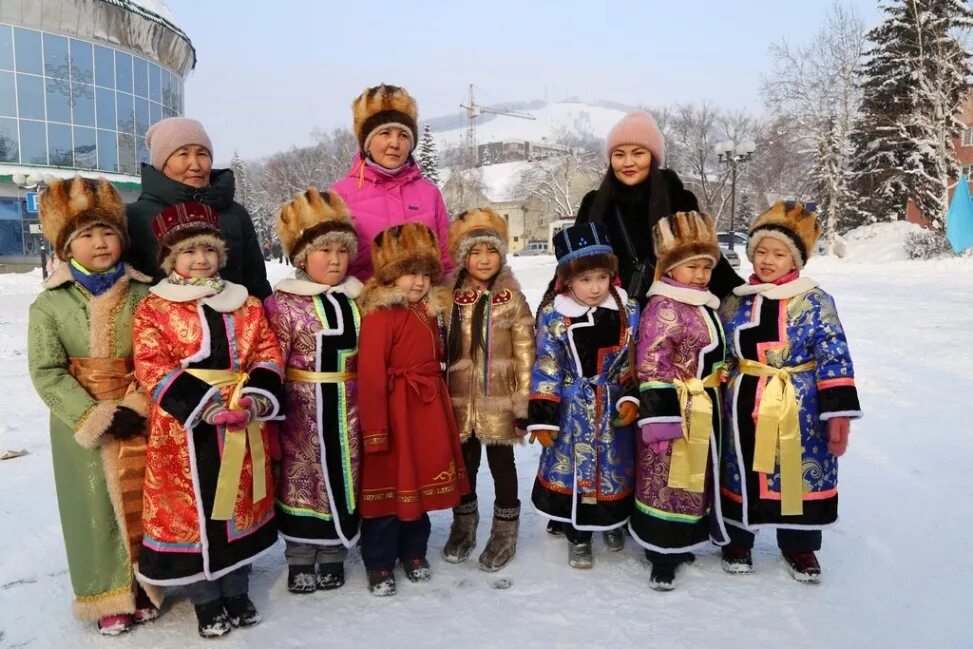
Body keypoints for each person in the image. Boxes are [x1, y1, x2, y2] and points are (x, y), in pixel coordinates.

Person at [132, 202, 284, 638]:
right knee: (194, 512)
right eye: (188, 251)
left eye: (209, 250)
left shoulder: (244, 303)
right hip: (183, 431)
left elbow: (268, 352)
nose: (201, 259)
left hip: (241, 420)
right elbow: (151, 363)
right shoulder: (155, 308)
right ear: (170, 259)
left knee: (239, 506)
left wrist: (254, 399)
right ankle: (204, 598)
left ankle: (236, 589)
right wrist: (204, 405)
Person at [27, 177, 156, 635]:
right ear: (65, 246)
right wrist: (92, 415)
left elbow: (158, 355)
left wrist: (137, 403)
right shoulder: (50, 304)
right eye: (85, 235)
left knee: (145, 497)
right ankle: (105, 594)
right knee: (92, 507)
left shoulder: (144, 294)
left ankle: (145, 585)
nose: (100, 243)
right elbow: (47, 370)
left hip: (138, 413)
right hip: (78, 423)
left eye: (107, 232)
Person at [719, 201, 862, 583]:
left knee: (796, 472)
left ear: (796, 259)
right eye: (760, 252)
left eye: (778, 254)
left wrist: (838, 414)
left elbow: (834, 354)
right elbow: (722, 350)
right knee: (741, 469)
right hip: (742, 404)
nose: (767, 260)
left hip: (798, 406)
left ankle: (799, 545)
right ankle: (738, 539)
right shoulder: (736, 298)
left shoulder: (814, 301)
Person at [356, 222, 470, 595]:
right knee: (388, 491)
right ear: (390, 276)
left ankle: (414, 551)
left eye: (424, 273)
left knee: (417, 486)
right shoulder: (380, 315)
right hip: (393, 412)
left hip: (424, 408)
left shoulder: (430, 311)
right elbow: (371, 374)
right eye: (408, 273)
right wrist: (375, 429)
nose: (418, 282)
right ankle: (379, 561)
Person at [263, 189, 363, 594]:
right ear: (302, 257)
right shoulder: (284, 304)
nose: (335, 259)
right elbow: (272, 357)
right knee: (301, 477)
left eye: (342, 250)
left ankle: (335, 551)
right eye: (324, 251)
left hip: (350, 410)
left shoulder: (359, 300)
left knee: (346, 475)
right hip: (301, 413)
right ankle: (300, 555)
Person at [527, 222, 640, 569]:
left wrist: (630, 397)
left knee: (614, 470)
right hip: (573, 410)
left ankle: (612, 521)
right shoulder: (554, 315)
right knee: (577, 471)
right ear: (568, 280)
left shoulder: (628, 310)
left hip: (611, 409)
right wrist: (544, 417)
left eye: (602, 278)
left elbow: (634, 363)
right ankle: (578, 533)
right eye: (585, 280)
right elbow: (547, 365)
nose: (595, 288)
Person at [629, 211, 731, 591]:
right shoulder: (664, 307)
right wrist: (659, 418)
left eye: (707, 266)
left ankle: (683, 539)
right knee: (667, 480)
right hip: (675, 412)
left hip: (702, 408)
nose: (702, 274)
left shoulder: (702, 302)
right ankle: (661, 552)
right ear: (671, 267)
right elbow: (652, 363)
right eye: (692, 266)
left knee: (694, 481)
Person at [442, 208, 535, 572]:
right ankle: (464, 526)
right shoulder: (447, 298)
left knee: (502, 467)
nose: (484, 260)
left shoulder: (512, 298)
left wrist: (523, 404)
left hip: (501, 400)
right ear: (464, 256)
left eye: (491, 251)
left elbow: (526, 353)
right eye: (475, 252)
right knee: (463, 467)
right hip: (459, 400)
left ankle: (504, 533)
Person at [574, 111, 741, 304]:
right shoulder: (594, 204)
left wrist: (740, 298)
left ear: (652, 157)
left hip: (669, 317)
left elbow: (704, 257)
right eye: (619, 155)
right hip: (610, 317)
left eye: (638, 153)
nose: (628, 162)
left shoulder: (678, 199)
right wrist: (550, 305)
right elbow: (573, 265)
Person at [125, 117, 272, 299]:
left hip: (236, 323)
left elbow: (256, 281)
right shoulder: (135, 217)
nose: (195, 165)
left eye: (202, 154)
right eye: (183, 154)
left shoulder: (235, 214)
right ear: (162, 163)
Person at [330, 84, 453, 282]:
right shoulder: (339, 196)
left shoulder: (429, 194)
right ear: (367, 142)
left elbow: (447, 262)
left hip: (421, 309)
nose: (394, 143)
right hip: (365, 309)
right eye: (385, 133)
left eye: (403, 135)